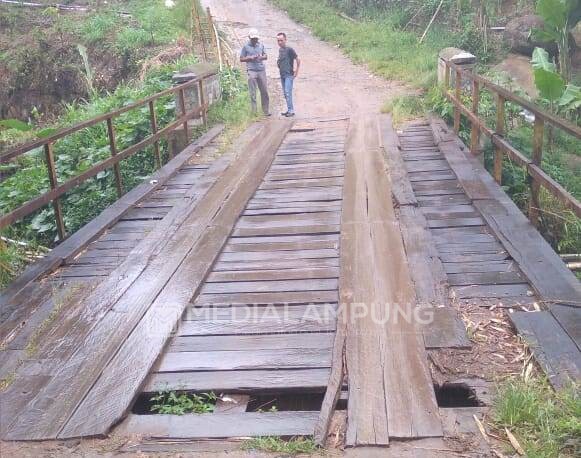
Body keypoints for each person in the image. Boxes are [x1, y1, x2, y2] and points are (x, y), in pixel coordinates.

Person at [240, 29, 270, 116]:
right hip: (251, 70)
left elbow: (266, 56)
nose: (255, 40)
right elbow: (241, 58)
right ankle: (254, 112)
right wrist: (250, 58)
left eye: (256, 38)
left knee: (264, 91)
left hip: (261, 70)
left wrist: (261, 57)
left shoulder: (261, 45)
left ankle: (266, 111)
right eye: (253, 39)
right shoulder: (245, 47)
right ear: (249, 38)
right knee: (253, 92)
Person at [276, 32, 300, 117]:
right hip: (282, 74)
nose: (280, 42)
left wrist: (296, 71)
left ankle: (291, 110)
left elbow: (298, 59)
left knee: (287, 92)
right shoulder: (280, 50)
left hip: (289, 75)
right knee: (285, 93)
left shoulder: (289, 49)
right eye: (278, 41)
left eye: (281, 40)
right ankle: (289, 109)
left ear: (285, 40)